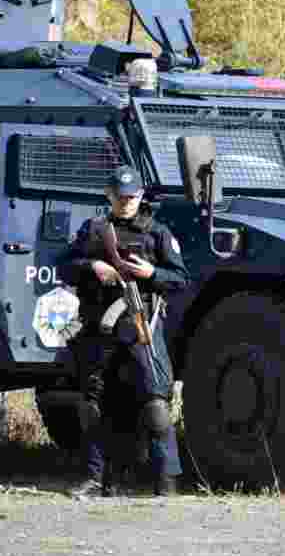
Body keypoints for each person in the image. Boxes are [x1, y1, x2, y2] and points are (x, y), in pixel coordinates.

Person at [58, 165, 189, 497]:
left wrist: (150, 272)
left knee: (156, 404)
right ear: (109, 195)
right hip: (99, 326)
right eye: (120, 197)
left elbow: (180, 279)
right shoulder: (94, 229)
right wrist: (93, 266)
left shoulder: (156, 233)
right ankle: (96, 479)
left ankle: (166, 481)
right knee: (94, 404)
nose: (126, 202)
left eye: (132, 197)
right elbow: (63, 265)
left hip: (141, 324)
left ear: (141, 196)